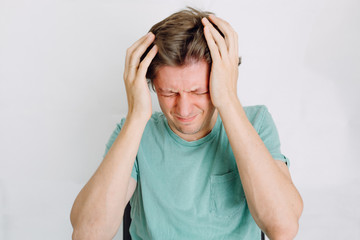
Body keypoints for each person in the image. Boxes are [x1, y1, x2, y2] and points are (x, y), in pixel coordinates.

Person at [70, 7, 303, 240]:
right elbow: (88, 234)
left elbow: (282, 228)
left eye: (198, 91)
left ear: (221, 80)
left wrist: (229, 101)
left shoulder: (255, 123)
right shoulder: (134, 133)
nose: (183, 109)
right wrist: (136, 117)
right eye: (169, 93)